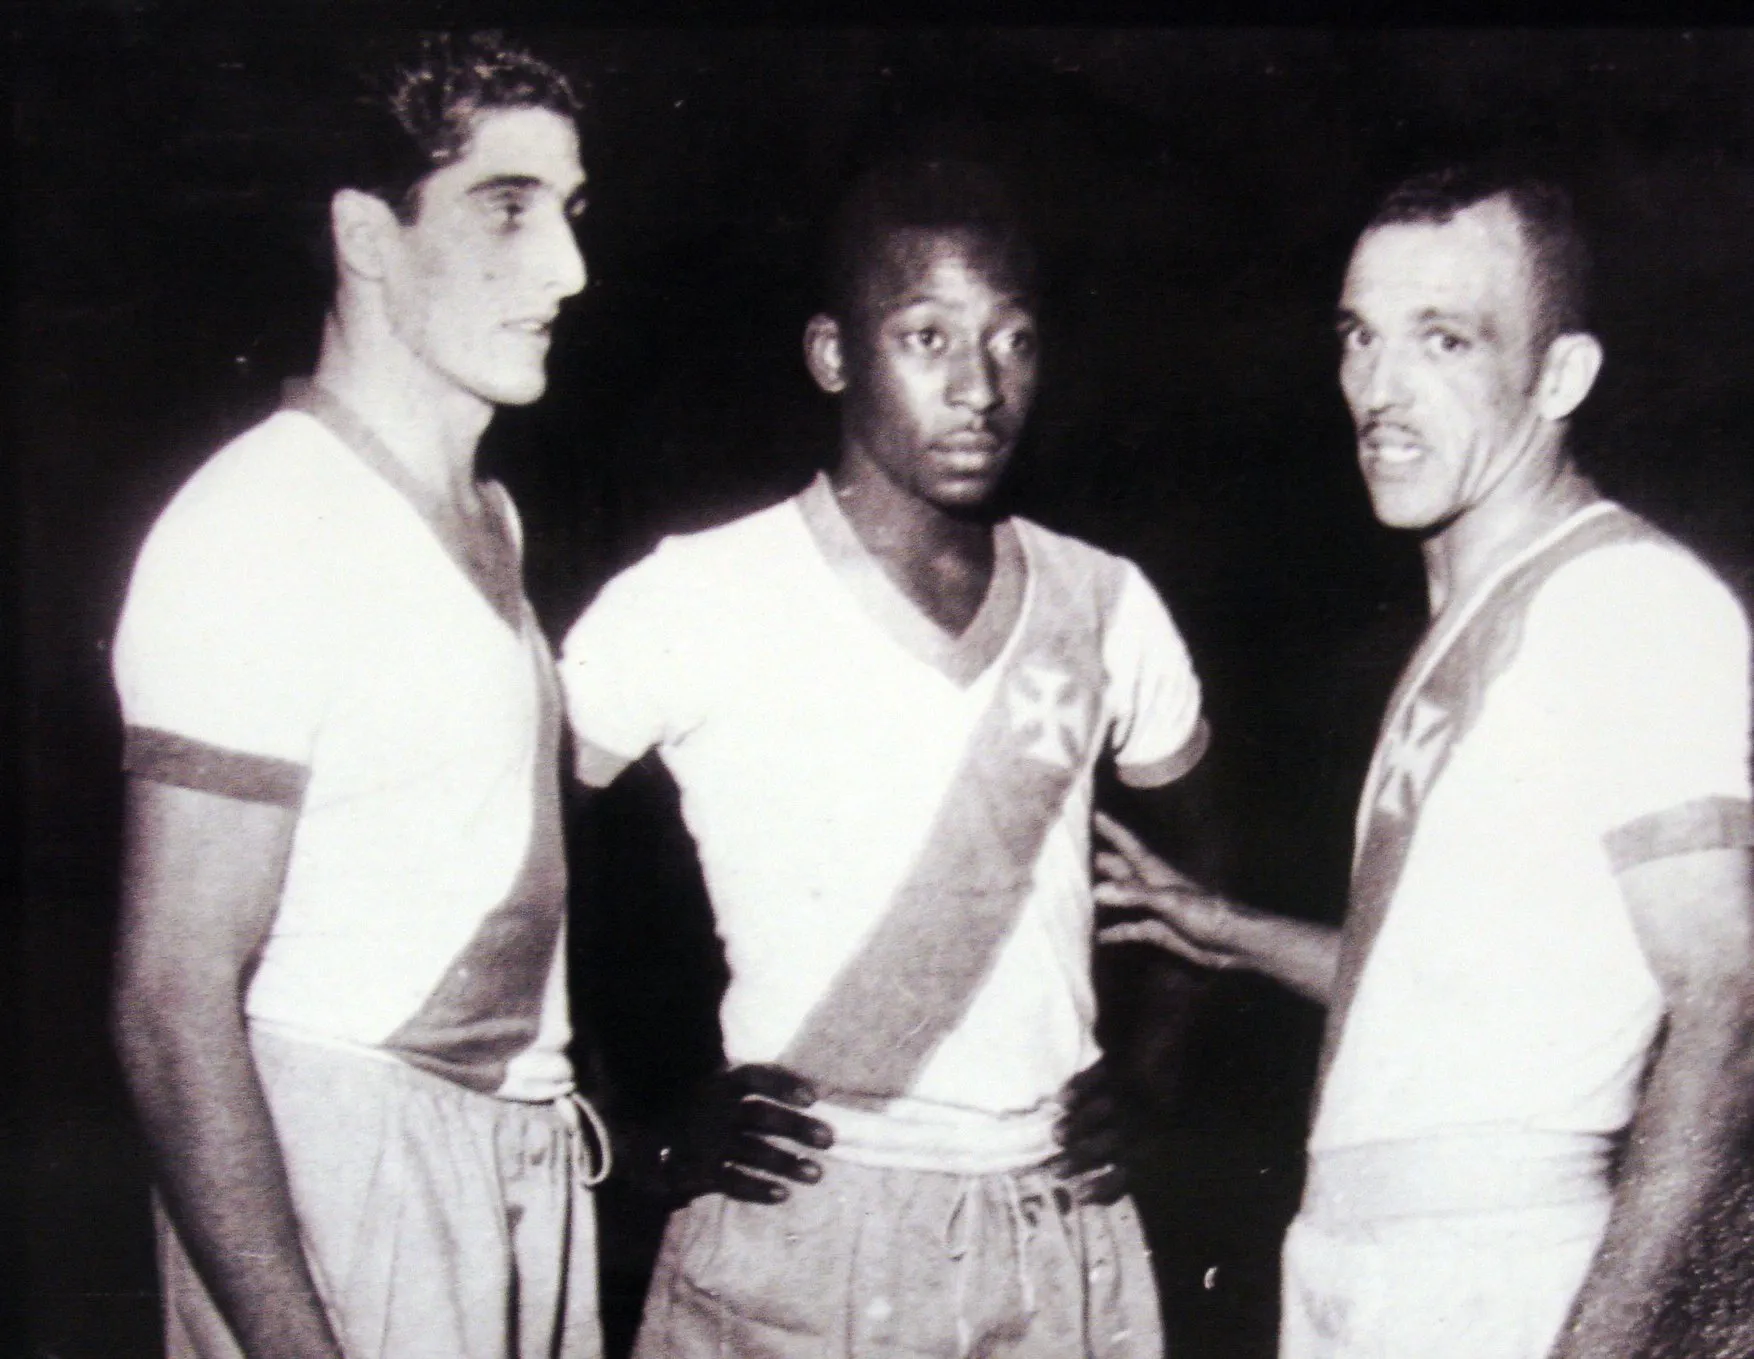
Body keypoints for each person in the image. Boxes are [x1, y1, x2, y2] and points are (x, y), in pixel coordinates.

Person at [1094, 164, 1754, 1359]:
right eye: (1360, 336)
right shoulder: (1468, 623)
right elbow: (1455, 1002)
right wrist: (1227, 931)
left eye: (1442, 340)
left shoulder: (1623, 599)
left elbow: (1727, 1004)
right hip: (1360, 1260)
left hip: (1493, 1270)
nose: (1378, 391)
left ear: (1559, 376)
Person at [559, 157, 1207, 1357]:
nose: (978, 389)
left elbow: (1189, 873)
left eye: (1012, 341)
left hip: (1052, 1214)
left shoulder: (1105, 602)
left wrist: (1153, 1070)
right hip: (805, 1210)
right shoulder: (696, 593)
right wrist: (636, 1108)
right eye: (926, 338)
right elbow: (521, 843)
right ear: (832, 353)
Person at [109, 33, 601, 1359]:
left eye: (569, 210)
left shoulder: (492, 514)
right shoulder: (261, 519)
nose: (567, 267)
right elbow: (168, 1002)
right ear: (367, 237)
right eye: (507, 208)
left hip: (512, 1147)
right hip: (339, 1165)